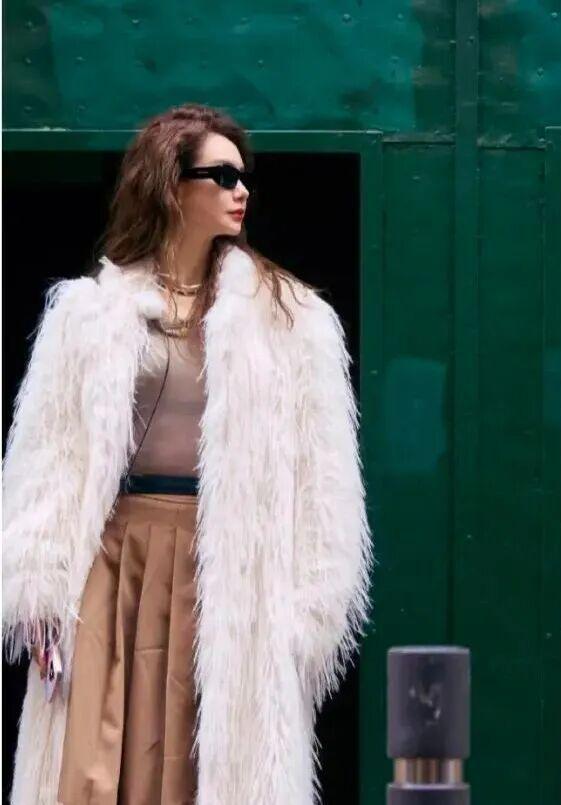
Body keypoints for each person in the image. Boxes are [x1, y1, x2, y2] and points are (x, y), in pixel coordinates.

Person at [2, 103, 372, 804]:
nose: (241, 190)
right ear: (172, 185)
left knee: (207, 762)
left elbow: (323, 480)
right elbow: (49, 460)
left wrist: (307, 609)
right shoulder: (91, 314)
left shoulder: (286, 320)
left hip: (229, 562)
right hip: (117, 559)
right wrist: (38, 587)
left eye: (244, 175)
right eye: (221, 175)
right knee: (93, 759)